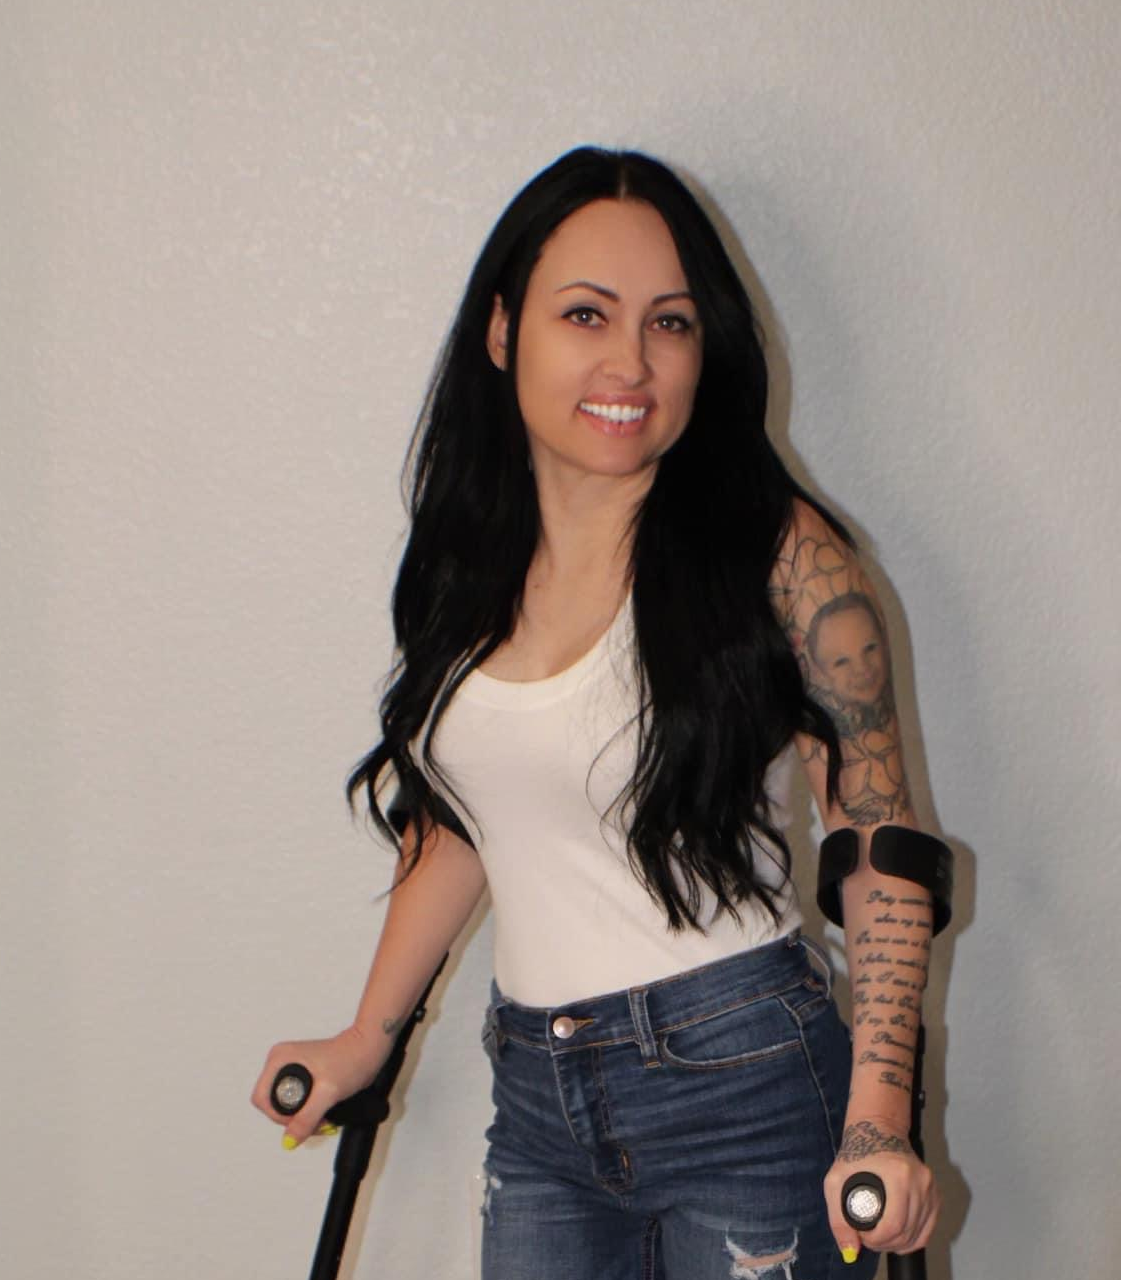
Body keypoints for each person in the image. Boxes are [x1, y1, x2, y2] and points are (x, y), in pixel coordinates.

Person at [252, 147, 943, 1278]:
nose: (630, 361)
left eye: (670, 323)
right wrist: (364, 1036)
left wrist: (878, 1114)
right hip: (539, 1099)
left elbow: (880, 838)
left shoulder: (779, 555)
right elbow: (463, 818)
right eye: (586, 314)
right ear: (503, 330)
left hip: (746, 1077)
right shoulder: (468, 559)